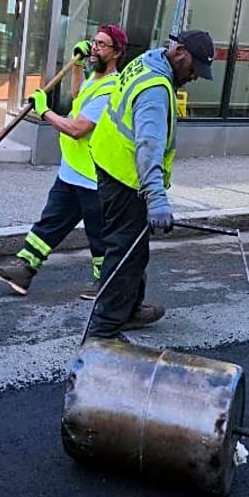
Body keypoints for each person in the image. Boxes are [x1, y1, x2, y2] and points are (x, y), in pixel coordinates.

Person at [85, 29, 215, 340]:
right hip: (126, 178)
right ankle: (105, 327)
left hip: (111, 163)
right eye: (194, 68)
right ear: (180, 52)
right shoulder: (156, 89)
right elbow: (148, 147)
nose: (195, 76)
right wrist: (156, 200)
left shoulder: (148, 60)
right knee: (125, 252)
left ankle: (129, 308)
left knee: (134, 249)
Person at [0, 24, 129, 298]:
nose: (94, 48)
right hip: (72, 171)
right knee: (49, 223)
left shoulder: (112, 89)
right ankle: (24, 269)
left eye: (102, 45)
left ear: (117, 53)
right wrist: (77, 66)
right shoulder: (96, 79)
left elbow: (77, 128)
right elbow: (78, 96)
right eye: (94, 42)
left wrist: (44, 111)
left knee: (100, 237)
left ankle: (107, 286)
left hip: (94, 177)